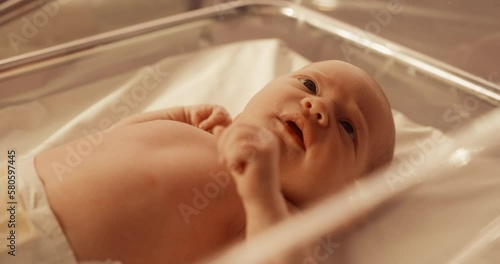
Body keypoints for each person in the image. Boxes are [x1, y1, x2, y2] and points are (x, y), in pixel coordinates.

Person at [5, 60, 395, 263]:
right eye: (309, 84)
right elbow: (116, 139)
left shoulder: (283, 219)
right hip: (15, 184)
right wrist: (175, 118)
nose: (318, 106)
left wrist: (260, 195)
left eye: (348, 128)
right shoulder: (209, 132)